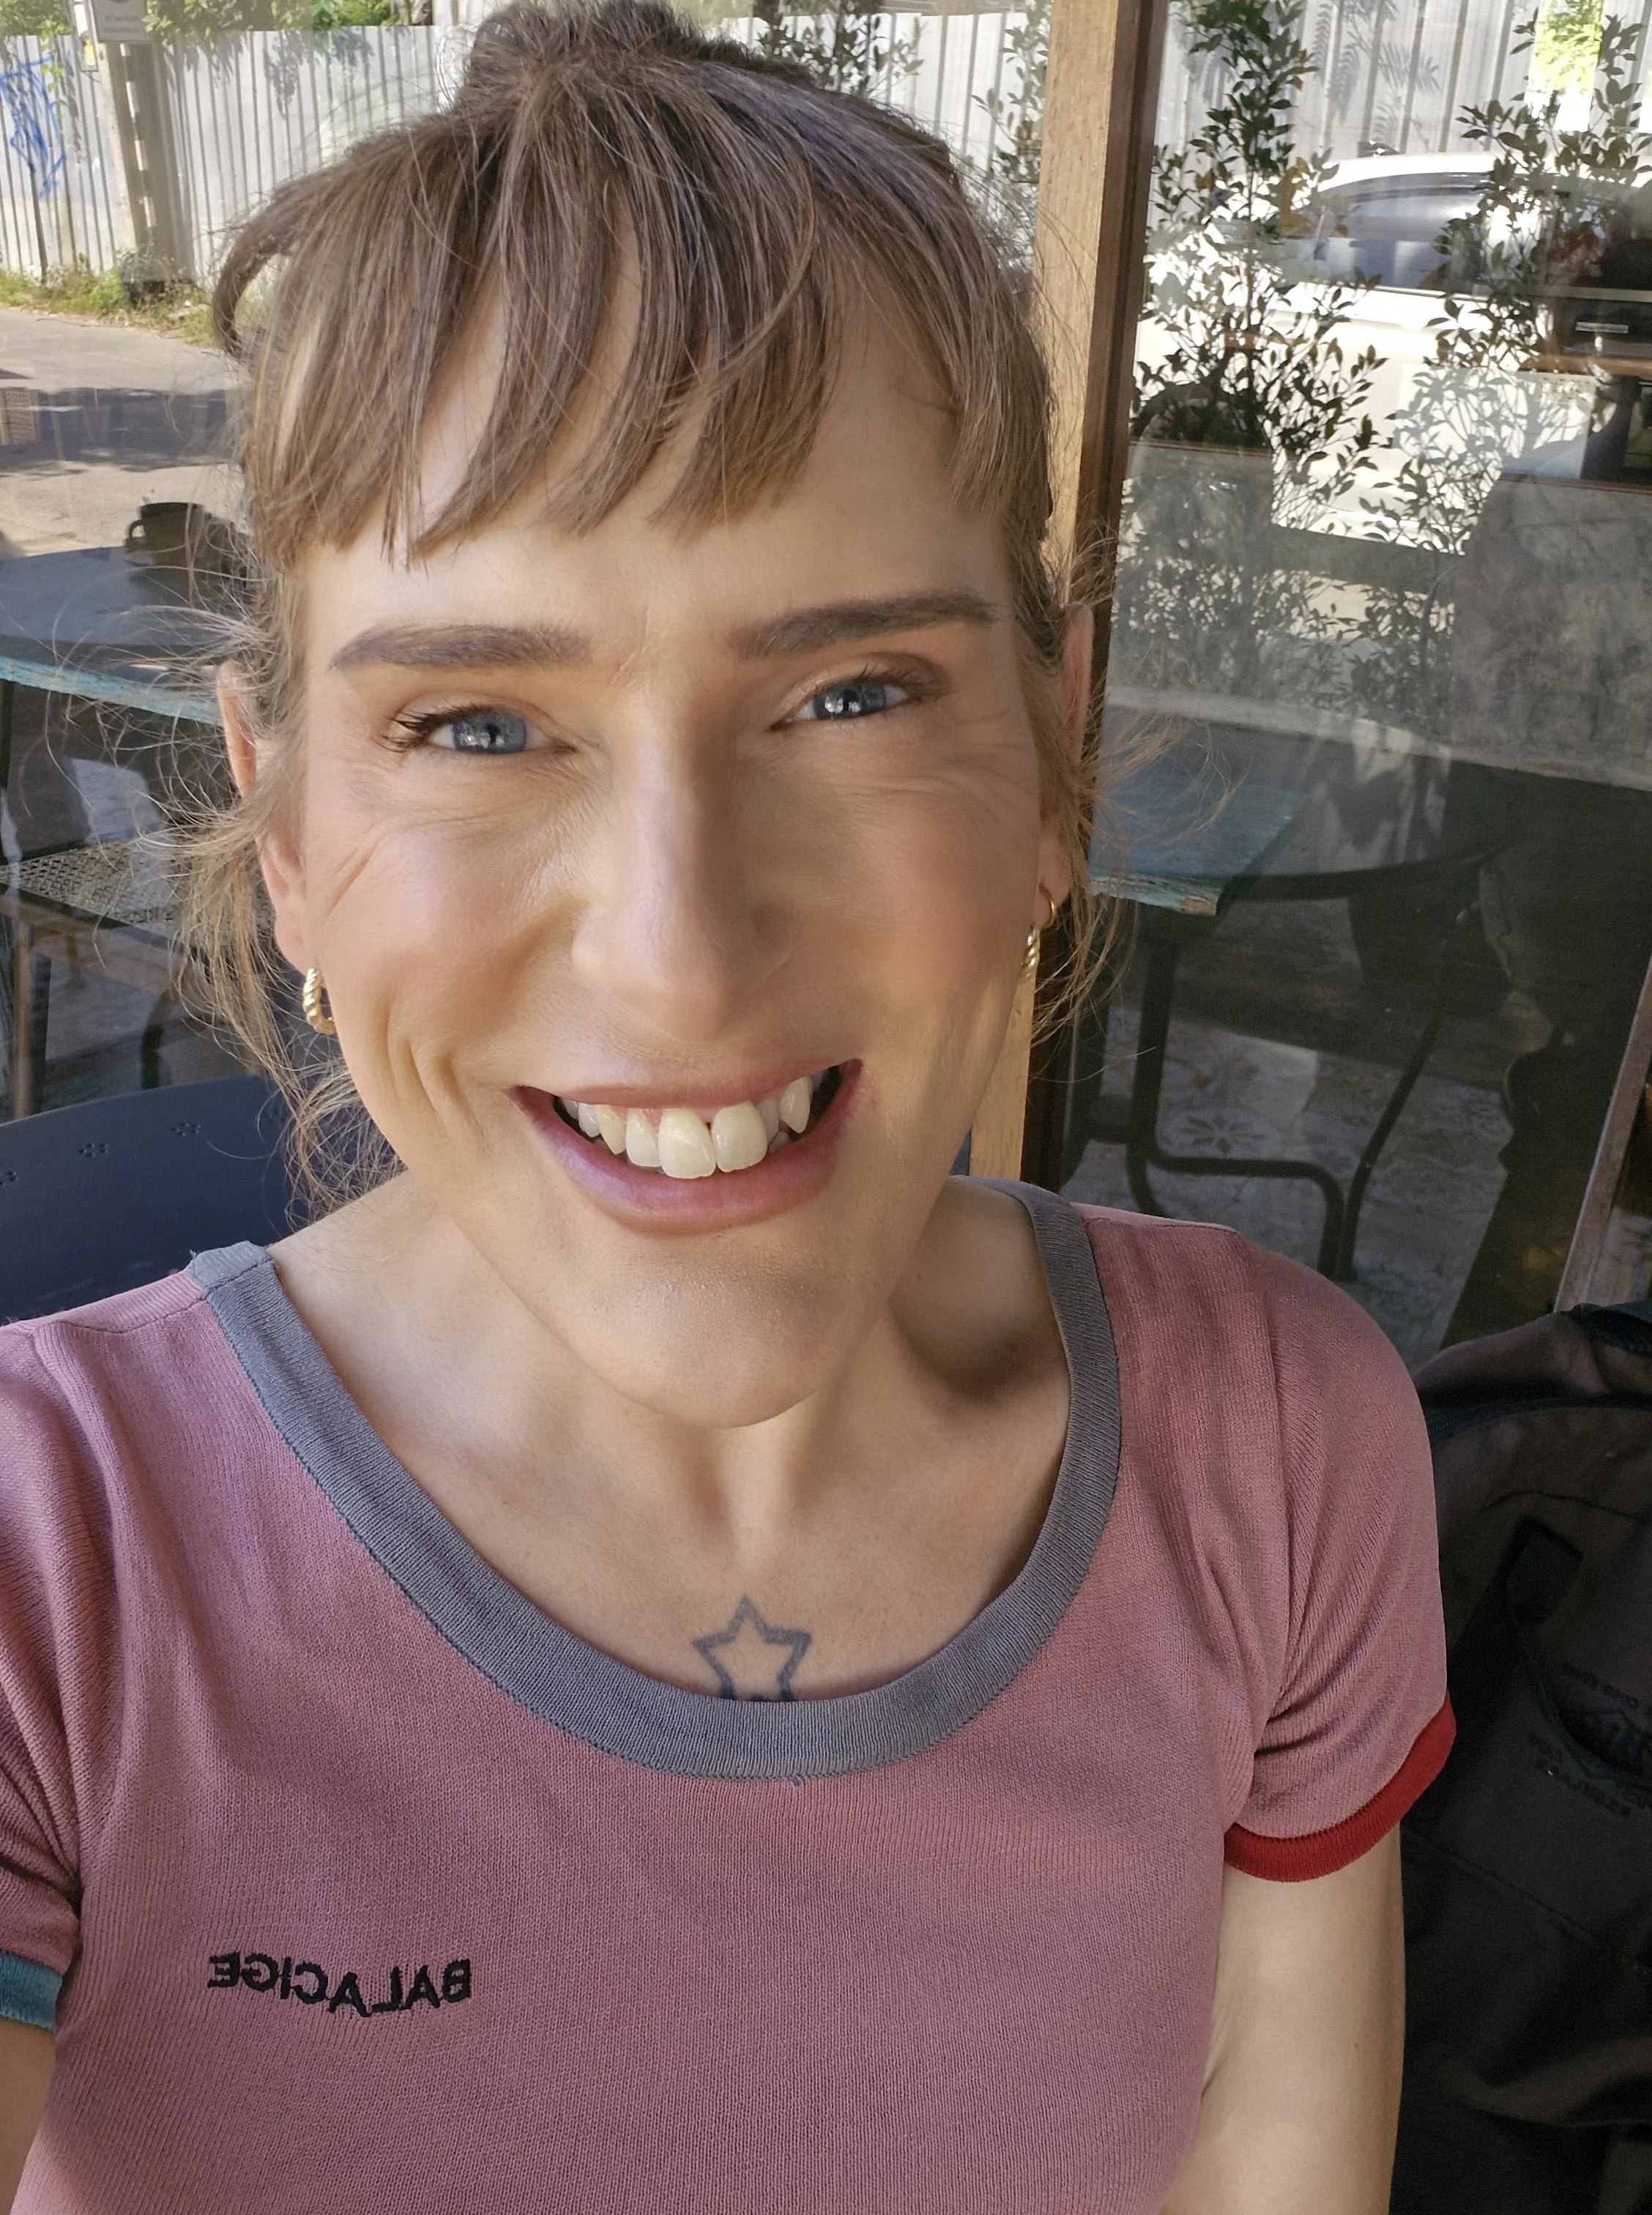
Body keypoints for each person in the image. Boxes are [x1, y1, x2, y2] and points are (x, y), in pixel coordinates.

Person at [0, 6, 1452, 2206]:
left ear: (1056, 756)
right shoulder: (49, 1567)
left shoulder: (1275, 1446)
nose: (678, 958)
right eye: (480, 726)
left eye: (853, 694)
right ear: (279, 820)